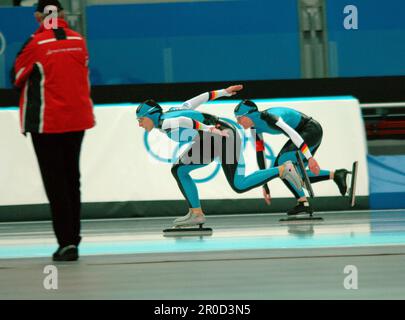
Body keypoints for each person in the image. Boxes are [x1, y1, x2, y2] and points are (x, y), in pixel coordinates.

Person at [136, 85, 303, 227]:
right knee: (180, 170)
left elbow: (189, 123)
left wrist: (211, 129)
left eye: (141, 119)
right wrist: (225, 91)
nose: (140, 124)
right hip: (211, 137)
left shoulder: (165, 122)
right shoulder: (173, 111)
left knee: (239, 184)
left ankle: (283, 169)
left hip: (222, 133)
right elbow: (200, 98)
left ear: (151, 115)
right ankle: (196, 213)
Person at [11, 0, 95, 261]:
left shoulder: (36, 43)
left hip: (47, 124)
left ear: (38, 16)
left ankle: (66, 242)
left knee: (56, 183)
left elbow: (17, 75)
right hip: (78, 120)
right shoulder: (79, 40)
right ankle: (74, 238)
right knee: (72, 180)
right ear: (60, 14)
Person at [234, 99, 349, 215]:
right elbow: (260, 153)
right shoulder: (255, 129)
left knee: (282, 166)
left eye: (239, 118)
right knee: (295, 174)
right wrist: (265, 184)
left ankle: (303, 202)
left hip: (310, 130)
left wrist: (309, 158)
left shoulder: (269, 117)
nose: (238, 122)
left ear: (249, 115)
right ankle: (336, 175)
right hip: (304, 134)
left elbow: (293, 134)